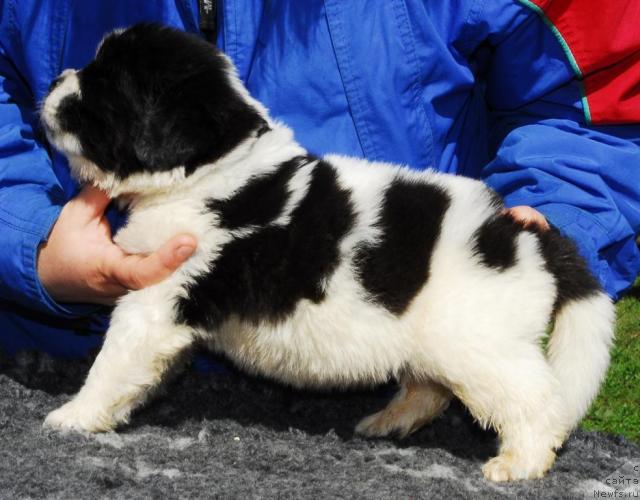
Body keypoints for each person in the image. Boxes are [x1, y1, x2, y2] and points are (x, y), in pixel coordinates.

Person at [1, 0, 639, 359]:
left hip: (395, 357)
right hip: (69, 359)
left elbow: (601, 94)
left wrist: (552, 209)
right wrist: (30, 244)